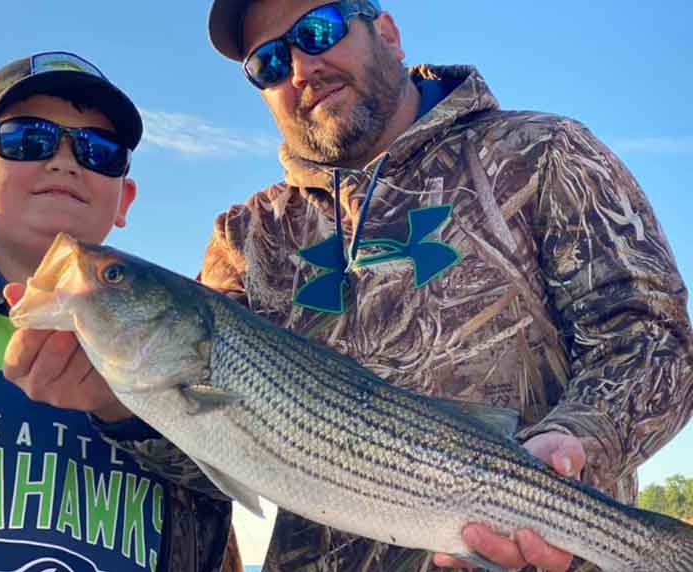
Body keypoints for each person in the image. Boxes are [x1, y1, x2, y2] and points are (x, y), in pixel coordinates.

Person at [203, 1, 693, 571]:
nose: (299, 69)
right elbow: (189, 446)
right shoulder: (245, 237)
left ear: (387, 32)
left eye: (318, 31)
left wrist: (577, 441)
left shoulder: (542, 152)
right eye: (266, 62)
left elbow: (652, 336)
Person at [0, 51, 238, 572]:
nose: (64, 160)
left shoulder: (180, 337)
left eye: (99, 151)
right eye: (26, 138)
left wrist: (128, 415)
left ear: (124, 200)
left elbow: (236, 479)